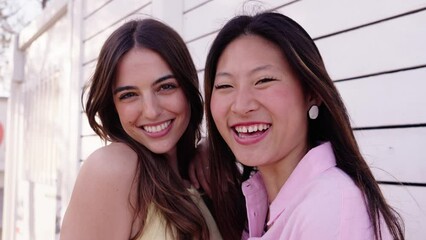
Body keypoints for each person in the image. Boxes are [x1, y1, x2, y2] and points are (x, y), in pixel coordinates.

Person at [203, 12, 405, 239]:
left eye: (264, 80)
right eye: (224, 85)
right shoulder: (258, 200)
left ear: (311, 94)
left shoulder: (330, 209)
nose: (241, 106)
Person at [60, 19, 221, 240]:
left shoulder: (195, 174)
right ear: (113, 106)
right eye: (129, 95)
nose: (151, 111)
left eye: (166, 87)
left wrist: (213, 146)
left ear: (188, 89)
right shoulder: (112, 167)